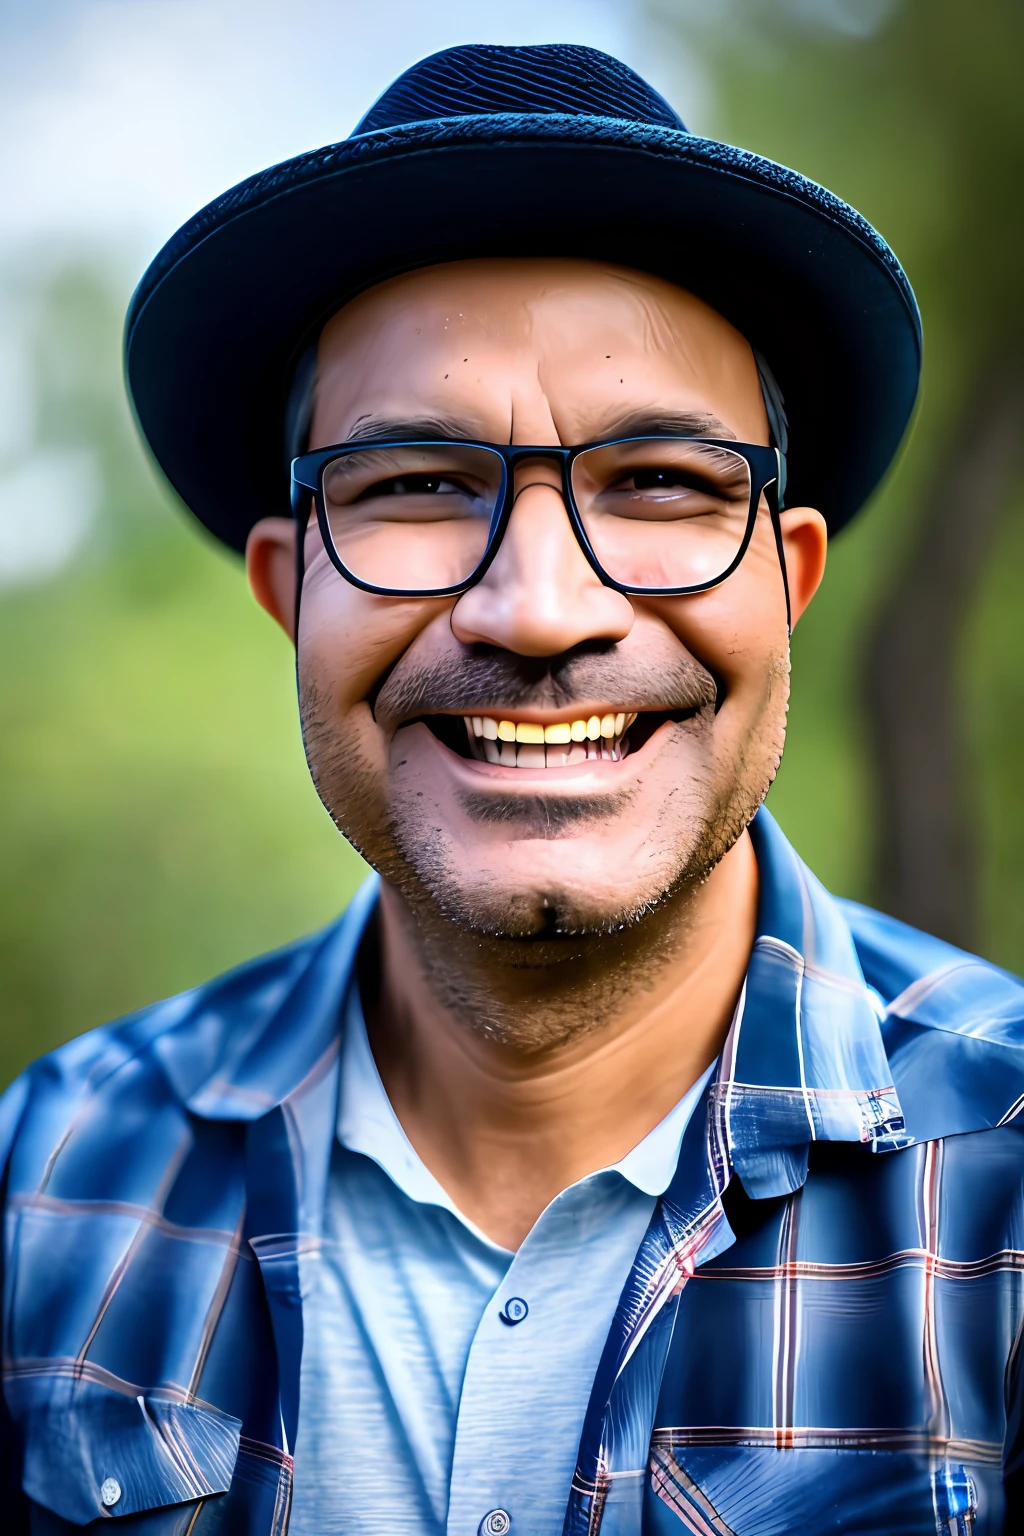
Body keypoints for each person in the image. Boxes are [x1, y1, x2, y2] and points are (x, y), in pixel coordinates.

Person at [1, 41, 1021, 1536]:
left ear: (786, 584)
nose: (539, 610)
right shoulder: (46, 1186)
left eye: (664, 482)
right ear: (293, 596)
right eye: (415, 484)